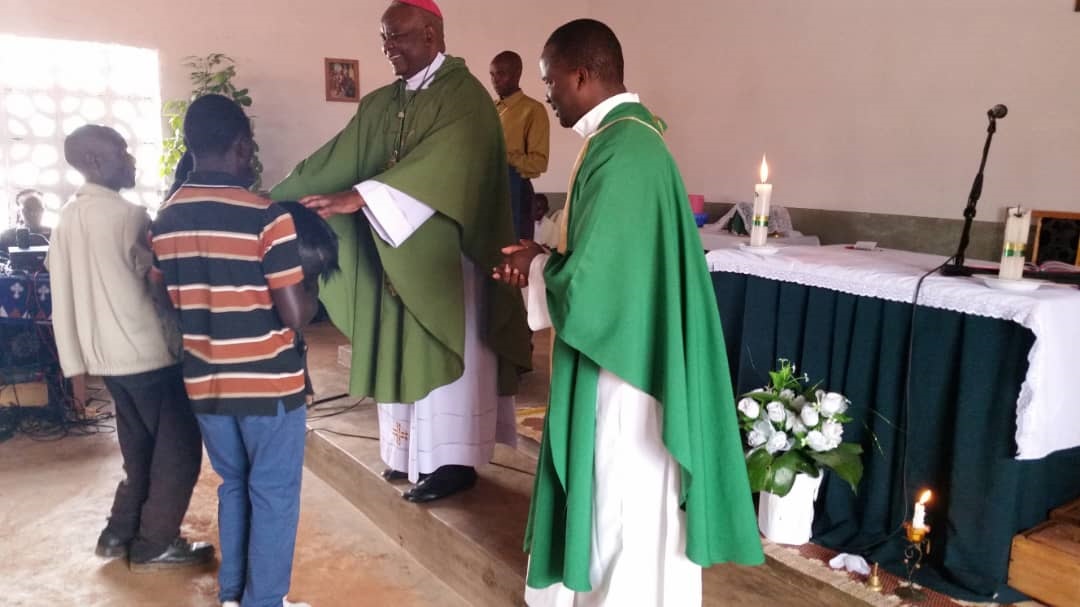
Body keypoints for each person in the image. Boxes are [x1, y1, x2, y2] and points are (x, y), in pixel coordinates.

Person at [492, 19, 764, 606]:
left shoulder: (624, 149)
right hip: (627, 348)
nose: (549, 98)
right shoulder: (621, 139)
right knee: (621, 495)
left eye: (551, 84)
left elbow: (593, 287)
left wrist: (536, 267)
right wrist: (542, 256)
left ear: (582, 75)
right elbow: (601, 260)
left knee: (620, 495)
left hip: (624, 366)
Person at [271, 0, 530, 503]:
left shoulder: (467, 99)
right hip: (393, 252)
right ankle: (407, 454)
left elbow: (447, 163)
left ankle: (453, 461)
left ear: (432, 34)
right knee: (398, 346)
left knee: (443, 352)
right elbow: (335, 158)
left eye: (400, 37)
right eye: (384, 38)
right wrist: (271, 198)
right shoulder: (380, 104)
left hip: (445, 264)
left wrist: (361, 196)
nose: (390, 48)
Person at [151, 94, 316, 607]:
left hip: (205, 382)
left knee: (234, 485)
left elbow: (164, 298)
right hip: (269, 384)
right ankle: (263, 600)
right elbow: (294, 314)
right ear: (242, 146)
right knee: (274, 493)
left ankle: (233, 595)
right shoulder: (265, 217)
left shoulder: (166, 217)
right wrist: (312, 282)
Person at [47, 125, 210, 570]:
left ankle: (119, 531)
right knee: (178, 450)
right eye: (123, 153)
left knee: (139, 449)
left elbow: (61, 292)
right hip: (148, 354)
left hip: (107, 357)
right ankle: (155, 541)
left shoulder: (66, 218)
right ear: (96, 162)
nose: (132, 160)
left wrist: (75, 364)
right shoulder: (130, 216)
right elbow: (159, 287)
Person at [490, 50, 549, 240]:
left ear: (517, 74)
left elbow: (539, 163)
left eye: (501, 74)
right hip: (488, 187)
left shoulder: (532, 110)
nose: (495, 80)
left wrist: (502, 157)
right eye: (492, 74)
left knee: (511, 255)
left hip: (515, 191)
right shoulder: (490, 109)